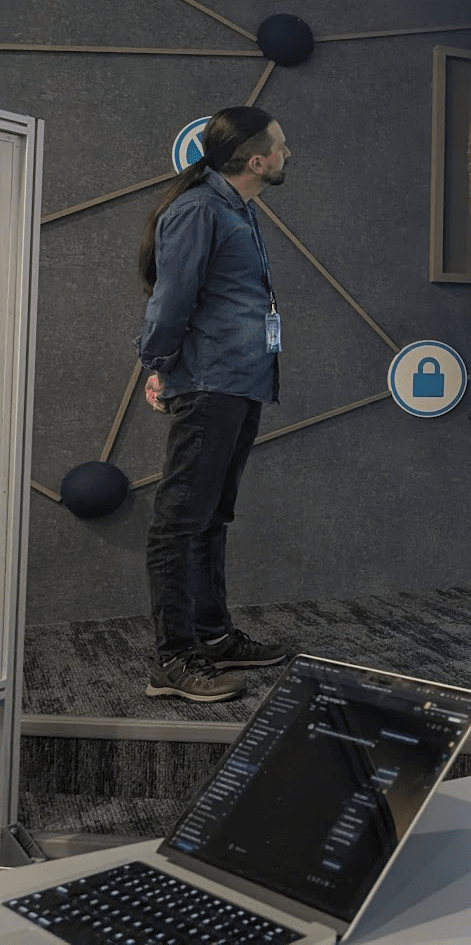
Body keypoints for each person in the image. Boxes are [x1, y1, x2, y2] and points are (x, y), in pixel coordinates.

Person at [136, 107, 292, 702]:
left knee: (211, 515)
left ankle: (211, 635)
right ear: (256, 161)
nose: (285, 152)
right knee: (179, 522)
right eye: (278, 146)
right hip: (209, 383)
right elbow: (172, 299)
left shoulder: (235, 207)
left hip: (240, 380)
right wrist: (157, 364)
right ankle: (172, 661)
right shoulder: (200, 208)